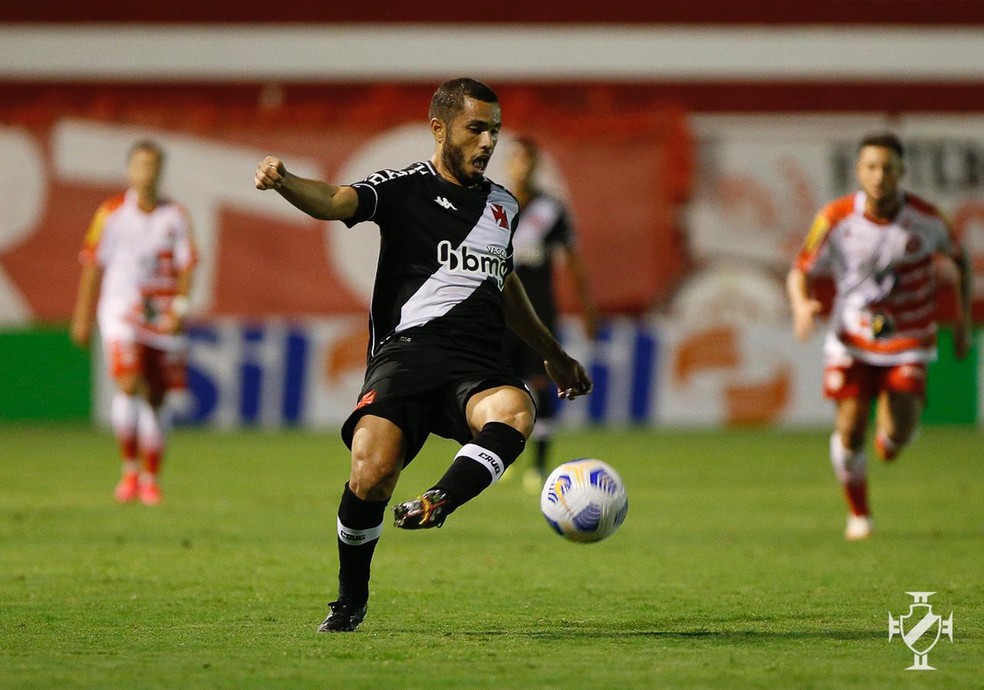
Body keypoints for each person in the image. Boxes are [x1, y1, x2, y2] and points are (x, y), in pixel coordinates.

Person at [254, 77, 592, 633]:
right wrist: (284, 181)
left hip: (476, 363)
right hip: (407, 356)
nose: (488, 142)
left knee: (516, 409)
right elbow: (335, 201)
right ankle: (350, 599)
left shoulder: (503, 206)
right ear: (440, 128)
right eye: (476, 129)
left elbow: (504, 284)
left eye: (495, 131)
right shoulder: (405, 188)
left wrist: (552, 353)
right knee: (371, 470)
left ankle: (439, 499)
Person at [786, 132, 972, 541]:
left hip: (908, 336)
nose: (879, 176)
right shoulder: (834, 218)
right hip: (851, 337)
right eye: (871, 167)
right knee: (851, 429)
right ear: (858, 171)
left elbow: (961, 263)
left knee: (897, 434)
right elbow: (800, 269)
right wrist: (801, 305)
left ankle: (895, 434)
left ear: (901, 171)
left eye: (888, 168)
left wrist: (961, 324)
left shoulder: (928, 218)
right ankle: (859, 515)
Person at [70, 140, 197, 507]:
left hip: (160, 316)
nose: (147, 172)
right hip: (120, 314)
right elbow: (92, 264)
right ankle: (128, 470)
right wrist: (82, 316)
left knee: (156, 397)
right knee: (128, 384)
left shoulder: (175, 216)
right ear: (129, 170)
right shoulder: (110, 213)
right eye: (140, 165)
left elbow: (188, 265)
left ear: (161, 171)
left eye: (153, 165)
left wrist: (179, 308)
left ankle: (150, 478)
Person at [502, 136, 599, 493]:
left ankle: (539, 465)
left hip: (539, 310)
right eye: (517, 159)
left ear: (536, 166)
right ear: (508, 164)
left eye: (528, 160)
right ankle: (503, 455)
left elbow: (573, 262)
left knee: (541, 381)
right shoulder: (495, 205)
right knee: (499, 382)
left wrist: (587, 309)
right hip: (498, 310)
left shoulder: (550, 209)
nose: (522, 167)